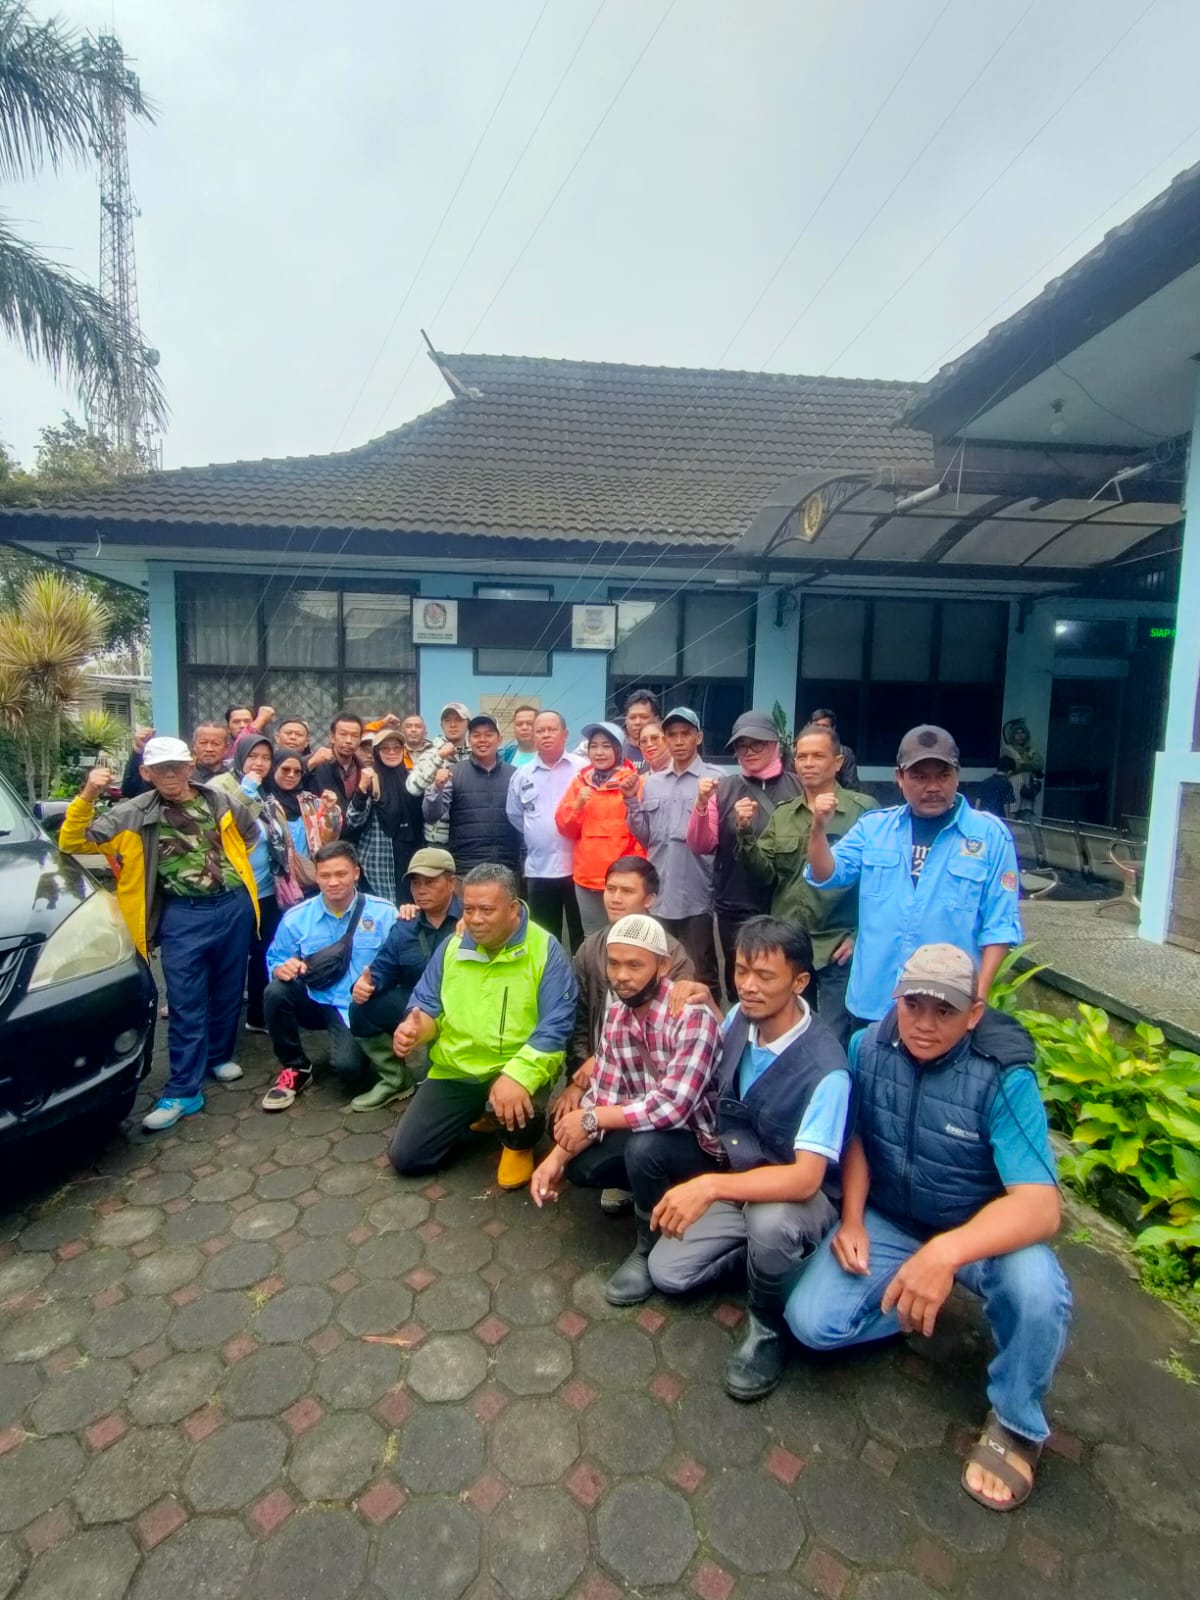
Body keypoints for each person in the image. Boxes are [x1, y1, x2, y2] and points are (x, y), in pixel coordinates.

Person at [786, 944, 1070, 1513]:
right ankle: (914, 1300)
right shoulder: (869, 1046)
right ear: (897, 1001)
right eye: (914, 1005)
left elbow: (1041, 1207)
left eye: (945, 1011)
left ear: (974, 1013)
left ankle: (1016, 1421)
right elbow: (858, 1136)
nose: (925, 1023)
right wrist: (851, 1219)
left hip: (977, 1231)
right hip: (892, 1219)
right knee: (810, 1324)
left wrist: (944, 1255)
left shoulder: (1003, 1077)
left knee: (1040, 1293)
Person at [649, 918, 851, 1399]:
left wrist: (709, 1186)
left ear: (801, 981)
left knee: (773, 1223)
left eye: (765, 976)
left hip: (801, 1200)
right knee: (669, 1273)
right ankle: (768, 1262)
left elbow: (805, 1180)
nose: (749, 986)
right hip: (746, 1180)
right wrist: (706, 1007)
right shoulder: (741, 1015)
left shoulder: (827, 1070)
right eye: (741, 971)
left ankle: (768, 1326)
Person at [60, 736, 259, 1131]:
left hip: (233, 906)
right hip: (182, 915)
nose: (170, 774)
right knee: (185, 1000)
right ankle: (184, 1089)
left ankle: (217, 1057)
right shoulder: (132, 814)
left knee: (228, 988)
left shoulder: (218, 800)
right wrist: (89, 793)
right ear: (146, 773)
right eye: (160, 768)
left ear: (189, 767)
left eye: (177, 766)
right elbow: (72, 841)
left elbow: (250, 832)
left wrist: (227, 870)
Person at [531, 913, 723, 1305]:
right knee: (577, 1156)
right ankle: (659, 1193)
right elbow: (604, 1091)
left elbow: (673, 1106)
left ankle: (649, 1245)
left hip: (702, 1143)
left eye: (635, 964)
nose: (621, 976)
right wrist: (555, 1160)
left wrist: (594, 1118)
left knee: (644, 1148)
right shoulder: (618, 1012)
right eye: (614, 964)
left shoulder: (690, 1015)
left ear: (663, 966)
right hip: (645, 1121)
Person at [805, 725, 1023, 1025]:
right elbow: (826, 874)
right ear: (899, 778)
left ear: (957, 775)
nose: (932, 787)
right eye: (920, 776)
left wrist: (978, 999)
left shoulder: (990, 837)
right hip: (873, 1002)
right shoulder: (874, 828)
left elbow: (999, 927)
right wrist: (818, 828)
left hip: (945, 1006)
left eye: (943, 775)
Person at [389, 864, 577, 1190]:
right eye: (469, 909)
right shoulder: (452, 947)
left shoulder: (545, 950)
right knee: (408, 1158)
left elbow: (556, 1027)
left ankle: (518, 1143)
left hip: (516, 1068)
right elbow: (428, 1004)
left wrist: (518, 1075)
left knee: (521, 1104)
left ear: (513, 909)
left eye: (487, 910)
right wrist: (415, 1028)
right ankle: (484, 1110)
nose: (475, 919)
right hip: (457, 1068)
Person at [558, 855, 695, 1217]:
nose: (615, 898)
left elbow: (675, 1050)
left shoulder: (673, 956)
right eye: (610, 889)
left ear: (650, 899)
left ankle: (658, 1185)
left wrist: (595, 1113)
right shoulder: (591, 948)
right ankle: (631, 1169)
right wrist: (576, 1078)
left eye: (627, 891)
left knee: (640, 1146)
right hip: (607, 1074)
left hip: (658, 1087)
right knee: (562, 1131)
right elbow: (579, 1017)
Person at [736, 722, 877, 1044]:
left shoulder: (863, 812)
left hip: (835, 945)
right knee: (785, 1028)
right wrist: (744, 832)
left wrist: (858, 935)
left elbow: (879, 885)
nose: (808, 763)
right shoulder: (785, 814)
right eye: (801, 757)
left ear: (838, 762)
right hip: (789, 941)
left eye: (818, 756)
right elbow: (765, 874)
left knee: (832, 1036)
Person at [261, 841, 398, 1109]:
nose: (333, 882)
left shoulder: (383, 913)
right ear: (316, 876)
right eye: (325, 875)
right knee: (275, 992)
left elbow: (399, 963)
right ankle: (296, 1068)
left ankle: (371, 1043)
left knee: (350, 1071)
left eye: (341, 874)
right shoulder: (297, 917)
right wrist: (281, 967)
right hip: (316, 998)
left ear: (356, 873)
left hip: (358, 1006)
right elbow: (275, 958)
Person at [686, 709, 801, 1001]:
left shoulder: (799, 787)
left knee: (785, 981)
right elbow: (701, 845)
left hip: (785, 906)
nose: (748, 752)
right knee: (741, 984)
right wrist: (701, 804)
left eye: (756, 744)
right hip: (735, 906)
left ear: (776, 744)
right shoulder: (724, 788)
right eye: (741, 746)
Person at [347, 848, 461, 1110]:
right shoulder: (405, 924)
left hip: (465, 1009)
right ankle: (395, 1079)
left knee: (442, 1094)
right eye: (416, 883)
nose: (421, 890)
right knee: (362, 1008)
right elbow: (383, 968)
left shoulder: (473, 916)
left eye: (430, 882)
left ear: (451, 882)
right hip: (420, 1007)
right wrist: (365, 985)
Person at [625, 706, 720, 991]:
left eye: (685, 734)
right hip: (660, 892)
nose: (678, 741)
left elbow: (721, 841)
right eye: (672, 735)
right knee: (660, 969)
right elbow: (646, 837)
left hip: (697, 893)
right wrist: (631, 800)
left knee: (701, 972)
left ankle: (712, 1031)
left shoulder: (716, 779)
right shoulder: (652, 783)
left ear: (699, 737)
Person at [211, 731, 289, 1036]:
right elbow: (217, 827)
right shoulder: (220, 786)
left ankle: (258, 1016)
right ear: (240, 755)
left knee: (263, 954)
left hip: (266, 889)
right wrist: (245, 790)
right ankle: (220, 1031)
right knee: (230, 961)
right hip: (235, 890)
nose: (259, 763)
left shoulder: (265, 791)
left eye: (266, 757)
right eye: (253, 756)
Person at [555, 721, 645, 936]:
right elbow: (565, 829)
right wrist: (577, 806)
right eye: (593, 746)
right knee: (593, 937)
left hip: (623, 880)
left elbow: (642, 833)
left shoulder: (634, 783)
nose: (599, 752)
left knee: (626, 936)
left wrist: (637, 874)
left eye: (606, 746)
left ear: (618, 749)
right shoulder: (580, 782)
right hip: (586, 878)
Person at [506, 710, 585, 946]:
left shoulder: (583, 769)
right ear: (533, 735)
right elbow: (515, 815)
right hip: (539, 870)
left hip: (578, 869)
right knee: (543, 937)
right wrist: (539, 832)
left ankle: (582, 982)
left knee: (581, 935)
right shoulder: (522, 775)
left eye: (552, 730)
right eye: (540, 731)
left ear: (565, 734)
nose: (546, 735)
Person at [422, 713, 520, 875]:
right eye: (476, 735)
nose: (482, 740)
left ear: (499, 740)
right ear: (469, 740)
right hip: (466, 868)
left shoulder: (515, 775)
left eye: (489, 735)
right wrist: (436, 788)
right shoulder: (454, 773)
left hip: (507, 866)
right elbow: (431, 815)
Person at [343, 727, 423, 903]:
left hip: (411, 857)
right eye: (385, 748)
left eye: (396, 748)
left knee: (410, 913)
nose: (392, 752)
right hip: (378, 862)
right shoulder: (370, 779)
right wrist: (362, 790)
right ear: (376, 752)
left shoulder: (413, 779)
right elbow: (353, 820)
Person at [407, 701, 472, 845]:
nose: (452, 725)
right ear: (441, 725)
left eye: (458, 720)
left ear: (468, 724)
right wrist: (439, 757)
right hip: (438, 842)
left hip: (470, 840)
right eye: (447, 721)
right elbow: (412, 788)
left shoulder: (476, 754)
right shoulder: (430, 753)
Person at [307, 711, 365, 804]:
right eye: (343, 734)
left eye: (354, 736)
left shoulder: (363, 770)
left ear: (360, 740)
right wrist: (309, 766)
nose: (349, 741)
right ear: (332, 737)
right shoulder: (315, 763)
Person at [808, 709, 859, 791]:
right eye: (817, 726)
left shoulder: (845, 753)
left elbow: (851, 787)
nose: (820, 730)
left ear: (833, 728)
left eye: (825, 726)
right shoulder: (798, 752)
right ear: (810, 727)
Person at [223, 704, 274, 768]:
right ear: (228, 728)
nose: (242, 725)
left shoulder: (265, 746)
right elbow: (242, 743)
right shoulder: (223, 747)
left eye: (247, 721)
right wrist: (261, 719)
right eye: (236, 722)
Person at [621, 688, 660, 768]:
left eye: (644, 717)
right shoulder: (616, 749)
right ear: (626, 720)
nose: (637, 722)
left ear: (656, 720)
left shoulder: (666, 749)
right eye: (632, 717)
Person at [976, 755, 1017, 820]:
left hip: (984, 818)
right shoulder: (1006, 784)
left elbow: (978, 801)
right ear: (1010, 771)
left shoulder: (985, 782)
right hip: (998, 819)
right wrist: (1008, 820)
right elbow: (1006, 805)